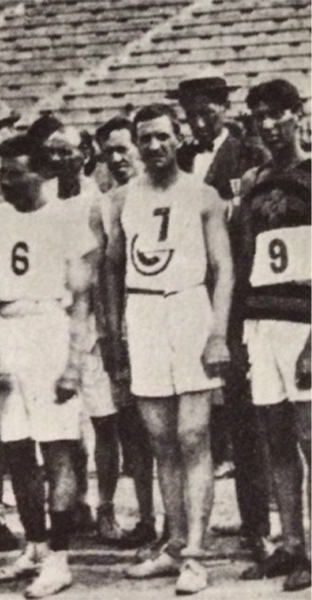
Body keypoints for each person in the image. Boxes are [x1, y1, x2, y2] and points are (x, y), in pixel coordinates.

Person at [105, 104, 234, 595]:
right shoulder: (122, 199)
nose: (154, 146)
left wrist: (218, 332)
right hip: (143, 314)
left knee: (193, 435)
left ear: (178, 138)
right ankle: (175, 542)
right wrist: (118, 327)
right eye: (145, 139)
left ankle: (198, 555)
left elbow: (223, 268)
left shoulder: (203, 195)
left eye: (162, 137)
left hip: (189, 308)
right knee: (159, 437)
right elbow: (114, 267)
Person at [0, 133, 96, 597]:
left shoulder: (67, 219)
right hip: (8, 331)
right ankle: (35, 544)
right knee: (16, 450)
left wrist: (73, 363)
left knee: (58, 447)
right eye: (1, 172)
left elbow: (83, 299)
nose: (6, 181)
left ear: (42, 172)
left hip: (51, 327)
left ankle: (60, 559)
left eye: (15, 172)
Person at [170, 71, 272, 557]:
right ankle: (188, 531)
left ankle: (258, 529)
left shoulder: (252, 156)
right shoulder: (182, 160)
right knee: (192, 426)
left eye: (207, 108)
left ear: (223, 107)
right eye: (191, 111)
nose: (199, 118)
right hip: (186, 299)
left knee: (245, 420)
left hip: (236, 301)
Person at [236, 79, 311, 592]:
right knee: (276, 440)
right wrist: (243, 330)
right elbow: (247, 263)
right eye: (258, 116)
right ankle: (291, 544)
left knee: (310, 437)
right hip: (262, 324)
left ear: (297, 114)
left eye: (275, 115)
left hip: (303, 324)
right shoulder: (255, 180)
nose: (266, 125)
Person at [37, 125, 124, 545]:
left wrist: (108, 327)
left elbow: (106, 269)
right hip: (54, 324)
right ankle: (78, 503)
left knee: (104, 422)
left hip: (92, 326)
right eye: (52, 153)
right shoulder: (44, 200)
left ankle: (107, 507)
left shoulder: (99, 201)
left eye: (66, 152)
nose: (58, 160)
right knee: (62, 425)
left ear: (85, 154)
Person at [93, 116, 158, 551]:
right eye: (108, 152)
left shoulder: (171, 188)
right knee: (132, 427)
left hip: (168, 313)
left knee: (174, 428)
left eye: (122, 148)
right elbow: (108, 273)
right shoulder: (110, 201)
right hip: (129, 319)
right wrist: (115, 329)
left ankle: (181, 519)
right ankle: (148, 516)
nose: (117, 158)